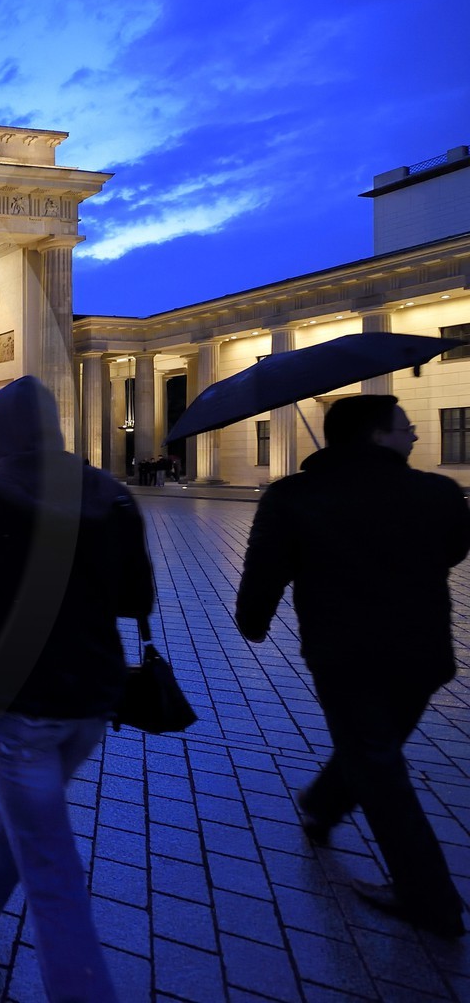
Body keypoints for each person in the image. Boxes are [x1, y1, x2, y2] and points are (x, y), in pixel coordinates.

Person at [0, 376, 154, 1001]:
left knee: (53, 873)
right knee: (33, 817)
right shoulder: (110, 494)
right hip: (90, 703)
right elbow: (140, 598)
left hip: (16, 702)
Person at [236, 394, 469, 938]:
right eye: (404, 427)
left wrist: (253, 620)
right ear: (376, 436)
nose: (413, 435)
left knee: (375, 757)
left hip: (345, 654)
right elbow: (455, 549)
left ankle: (428, 897)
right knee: (376, 749)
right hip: (424, 654)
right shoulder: (438, 491)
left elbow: (267, 568)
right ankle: (322, 805)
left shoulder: (294, 496)